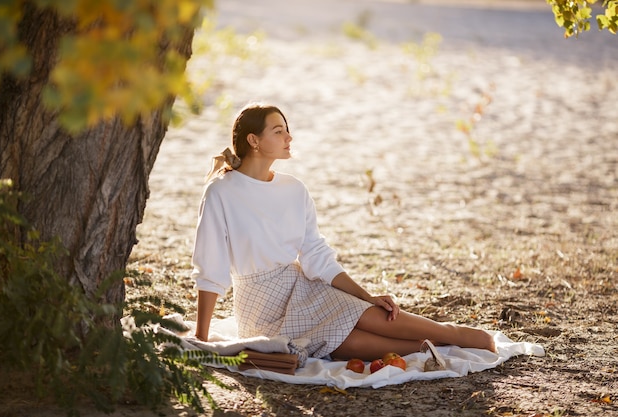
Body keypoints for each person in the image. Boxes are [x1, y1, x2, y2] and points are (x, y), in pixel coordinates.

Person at [191, 103, 496, 362]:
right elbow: (211, 267)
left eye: (287, 129)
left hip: (304, 287)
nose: (289, 137)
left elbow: (315, 254)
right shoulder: (221, 192)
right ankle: (441, 349)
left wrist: (367, 297)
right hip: (261, 307)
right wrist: (202, 337)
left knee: (377, 319)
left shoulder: (294, 189)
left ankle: (452, 335)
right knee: (355, 345)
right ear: (254, 141)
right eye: (278, 131)